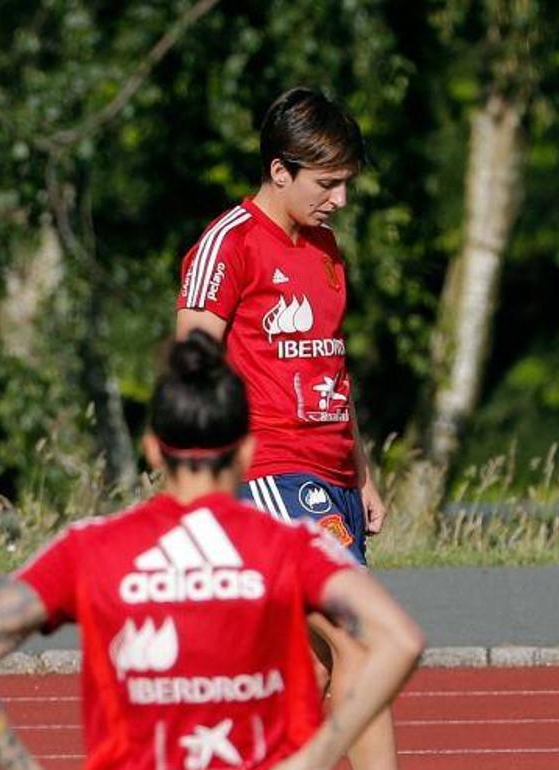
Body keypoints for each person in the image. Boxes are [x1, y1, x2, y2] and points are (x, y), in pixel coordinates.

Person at [0, 331, 424, 770]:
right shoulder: (292, 544)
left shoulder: (89, 546)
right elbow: (399, 640)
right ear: (250, 449)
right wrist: (316, 757)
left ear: (152, 449)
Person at [175, 87, 398, 768]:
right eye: (327, 184)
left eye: (346, 183)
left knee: (314, 671)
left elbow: (333, 365)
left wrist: (362, 471)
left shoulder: (326, 252)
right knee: (362, 638)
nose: (340, 200)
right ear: (280, 171)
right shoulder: (229, 244)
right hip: (269, 472)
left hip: (331, 475)